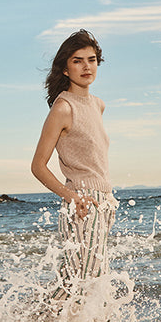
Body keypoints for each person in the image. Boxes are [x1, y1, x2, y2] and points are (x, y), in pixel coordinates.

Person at [31, 29, 118, 296]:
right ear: (66, 69)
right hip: (81, 201)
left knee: (86, 281)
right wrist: (71, 196)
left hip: (104, 201)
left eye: (91, 59)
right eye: (77, 60)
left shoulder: (98, 105)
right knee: (83, 283)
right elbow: (38, 165)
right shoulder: (63, 107)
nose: (86, 66)